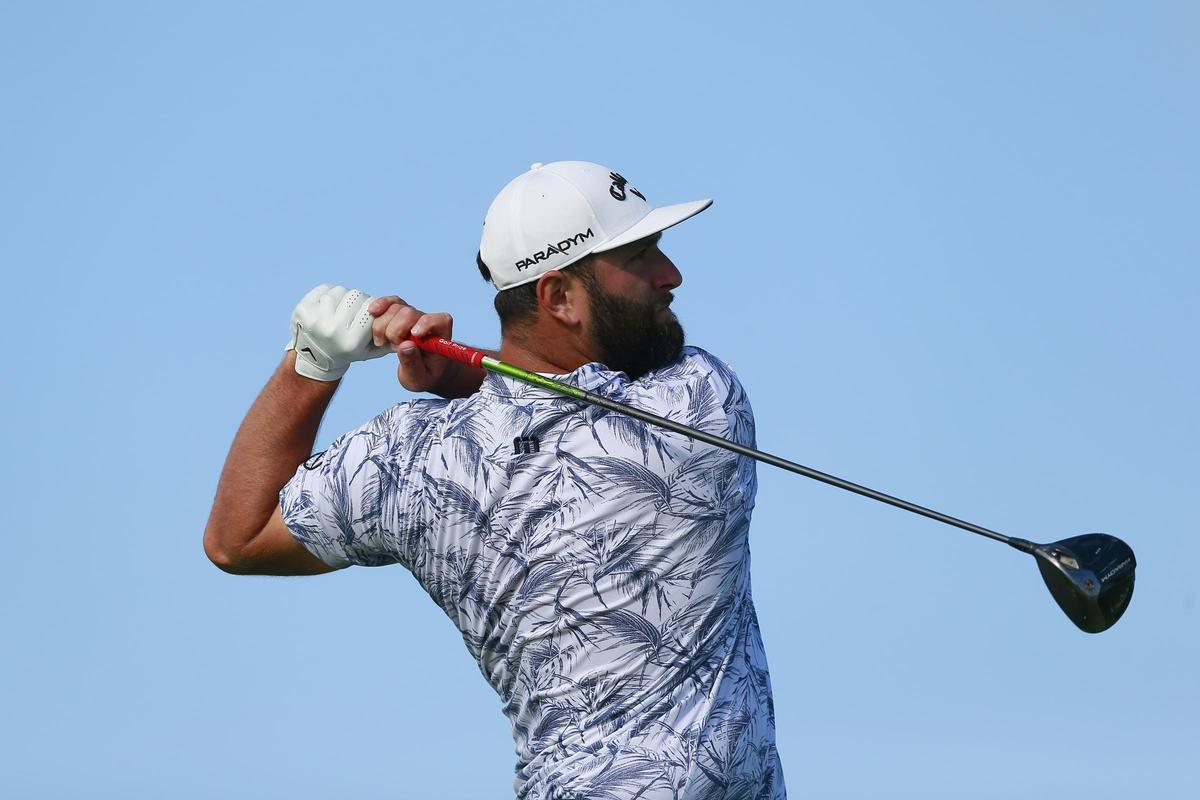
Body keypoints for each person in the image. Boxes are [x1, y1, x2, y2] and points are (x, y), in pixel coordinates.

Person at [204, 161, 786, 799]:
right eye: (640, 256)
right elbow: (570, 408)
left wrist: (311, 363)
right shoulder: (702, 398)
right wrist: (460, 374)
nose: (670, 275)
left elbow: (239, 537)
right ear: (558, 296)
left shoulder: (413, 458)